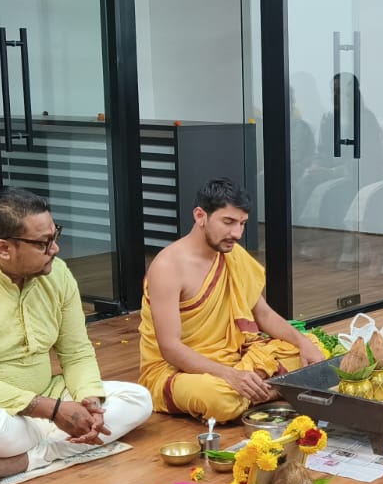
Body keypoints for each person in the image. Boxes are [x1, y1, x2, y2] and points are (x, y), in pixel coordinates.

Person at [0, 188, 153, 484]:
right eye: (43, 243)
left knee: (138, 400)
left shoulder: (57, 273)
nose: (56, 249)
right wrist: (52, 412)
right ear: (3, 248)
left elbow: (76, 352)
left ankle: (27, 459)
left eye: (55, 235)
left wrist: (89, 402)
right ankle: (50, 442)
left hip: (45, 396)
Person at [139, 179, 325, 421]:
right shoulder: (167, 267)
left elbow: (264, 314)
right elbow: (170, 348)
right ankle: (279, 387)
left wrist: (302, 343)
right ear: (200, 216)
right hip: (180, 370)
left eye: (242, 224)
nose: (236, 234)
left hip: (235, 358)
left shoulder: (232, 254)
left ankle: (257, 390)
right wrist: (229, 375)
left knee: (313, 348)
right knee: (218, 398)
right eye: (228, 222)